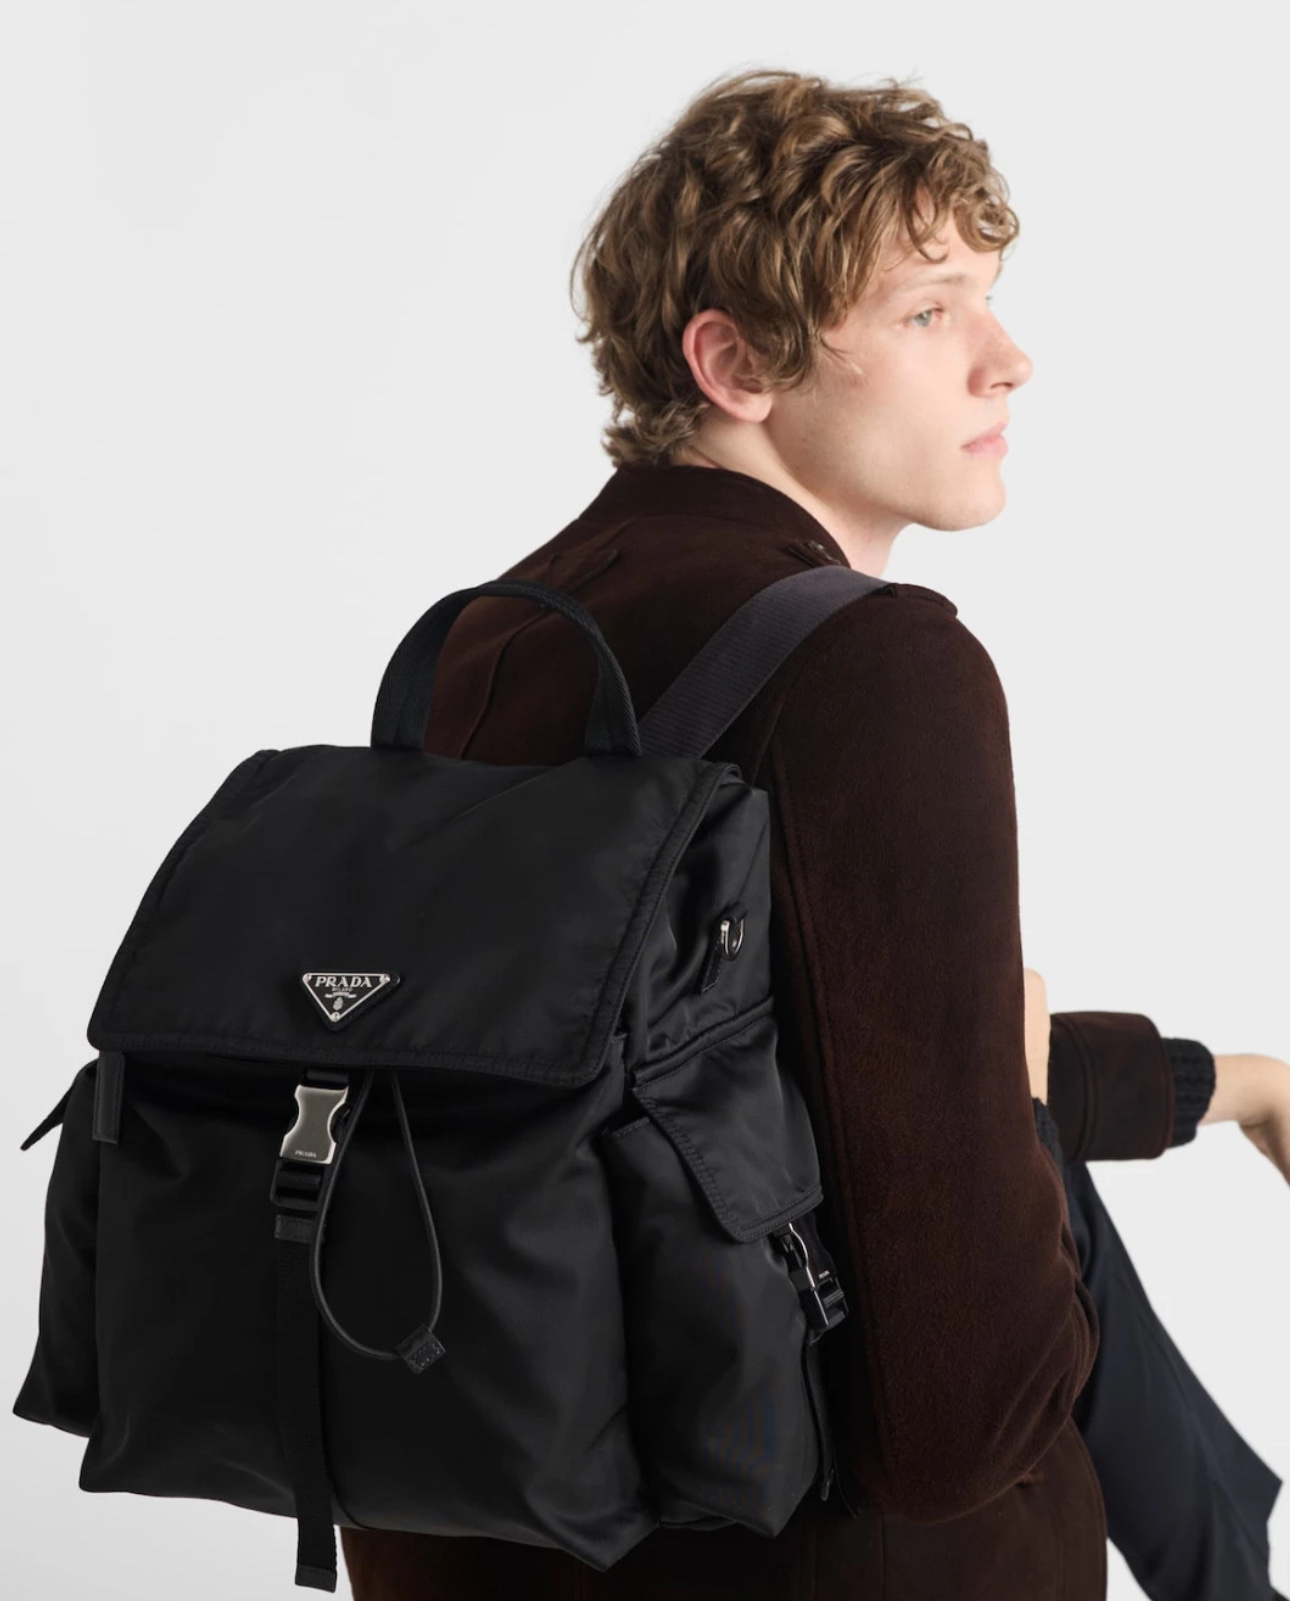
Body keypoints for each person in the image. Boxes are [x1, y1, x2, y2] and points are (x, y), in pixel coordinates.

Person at [340, 67, 1287, 1601]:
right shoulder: (875, 664)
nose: (1007, 357)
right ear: (735, 362)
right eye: (927, 311)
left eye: (988, 298)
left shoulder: (492, 638)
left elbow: (730, 1084)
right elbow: (952, 1413)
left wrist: (1231, 1084)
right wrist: (1022, 1142)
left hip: (476, 1542)